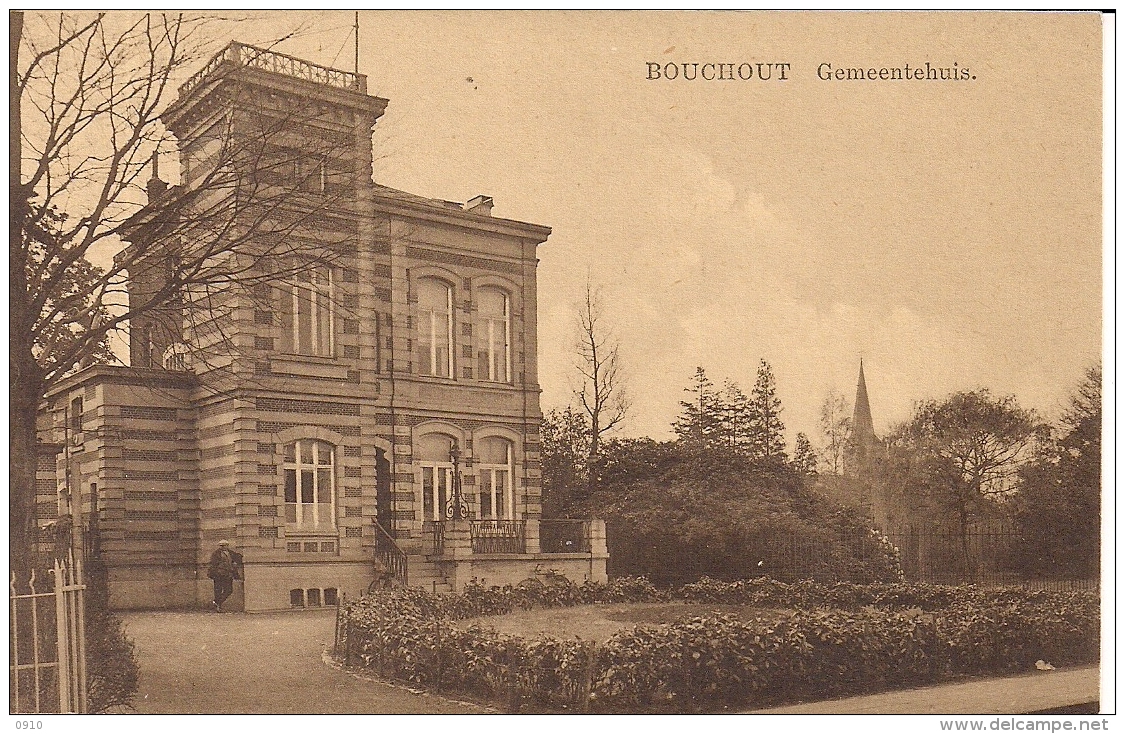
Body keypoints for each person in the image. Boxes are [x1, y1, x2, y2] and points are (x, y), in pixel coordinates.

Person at [207, 540, 242, 612]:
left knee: (229, 590)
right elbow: (213, 564)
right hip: (218, 575)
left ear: (227, 545)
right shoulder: (216, 554)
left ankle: (217, 602)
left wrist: (235, 562)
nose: (222, 547)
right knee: (218, 590)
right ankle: (218, 607)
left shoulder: (231, 553)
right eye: (221, 545)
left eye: (224, 545)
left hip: (228, 574)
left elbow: (238, 557)